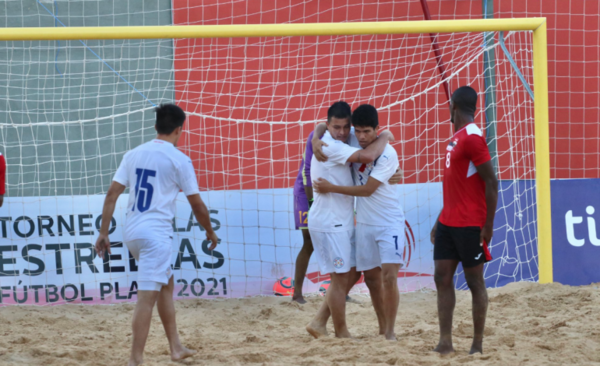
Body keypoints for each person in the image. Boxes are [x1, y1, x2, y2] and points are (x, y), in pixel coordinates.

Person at [94, 104, 219, 366]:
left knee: (167, 285)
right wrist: (209, 230)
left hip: (133, 232)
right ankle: (135, 359)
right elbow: (197, 204)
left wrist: (104, 231)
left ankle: (175, 347)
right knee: (146, 298)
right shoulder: (179, 159)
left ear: (155, 127)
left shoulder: (133, 154)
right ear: (179, 130)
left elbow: (111, 194)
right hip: (155, 235)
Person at [313, 104, 405, 340]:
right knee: (355, 277)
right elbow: (331, 127)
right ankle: (346, 330)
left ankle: (388, 332)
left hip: (382, 222)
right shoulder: (339, 141)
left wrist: (385, 136)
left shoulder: (377, 148)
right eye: (358, 131)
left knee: (377, 276)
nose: (359, 136)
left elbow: (369, 186)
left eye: (367, 132)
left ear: (375, 129)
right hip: (348, 222)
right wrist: (316, 135)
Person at [430, 86, 498, 355]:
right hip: (448, 222)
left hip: (470, 225)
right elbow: (456, 186)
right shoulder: (457, 137)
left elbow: (492, 182)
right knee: (441, 278)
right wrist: (439, 219)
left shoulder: (472, 137)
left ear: (453, 106)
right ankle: (445, 342)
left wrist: (488, 225)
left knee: (474, 283)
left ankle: (477, 344)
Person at [291, 130, 316, 304]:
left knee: (335, 240)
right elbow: (307, 174)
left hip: (326, 191)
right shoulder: (317, 136)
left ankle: (341, 289)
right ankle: (297, 294)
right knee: (309, 242)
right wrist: (312, 202)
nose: (341, 131)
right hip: (306, 192)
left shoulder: (349, 136)